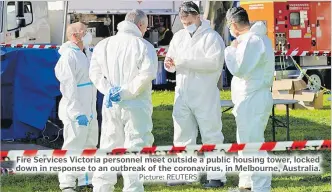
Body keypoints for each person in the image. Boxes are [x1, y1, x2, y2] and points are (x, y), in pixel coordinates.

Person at [89, 9, 158, 192]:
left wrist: (110, 91)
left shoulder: (103, 45)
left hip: (111, 103)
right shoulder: (144, 46)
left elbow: (95, 74)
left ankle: (102, 187)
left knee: (108, 145)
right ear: (141, 25)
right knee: (135, 146)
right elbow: (147, 75)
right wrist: (125, 92)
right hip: (136, 105)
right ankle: (133, 188)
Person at [164, 1, 227, 188]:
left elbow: (214, 63)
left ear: (198, 16)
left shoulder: (212, 38)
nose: (186, 24)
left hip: (205, 94)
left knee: (211, 135)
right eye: (183, 22)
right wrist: (171, 64)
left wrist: (182, 62)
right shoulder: (178, 37)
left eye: (189, 20)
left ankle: (216, 176)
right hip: (182, 93)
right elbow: (173, 59)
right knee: (182, 135)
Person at [224, 7, 275, 192]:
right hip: (249, 98)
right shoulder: (256, 39)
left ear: (234, 25)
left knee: (253, 144)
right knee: (246, 142)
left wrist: (230, 50)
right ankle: (247, 183)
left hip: (253, 98)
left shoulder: (252, 41)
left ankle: (261, 187)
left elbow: (239, 69)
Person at [54, 22, 98, 192]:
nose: (88, 34)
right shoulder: (68, 57)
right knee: (73, 146)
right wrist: (76, 111)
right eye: (84, 32)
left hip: (89, 107)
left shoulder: (85, 53)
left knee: (89, 144)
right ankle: (66, 182)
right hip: (76, 109)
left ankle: (85, 178)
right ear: (74, 35)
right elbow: (68, 87)